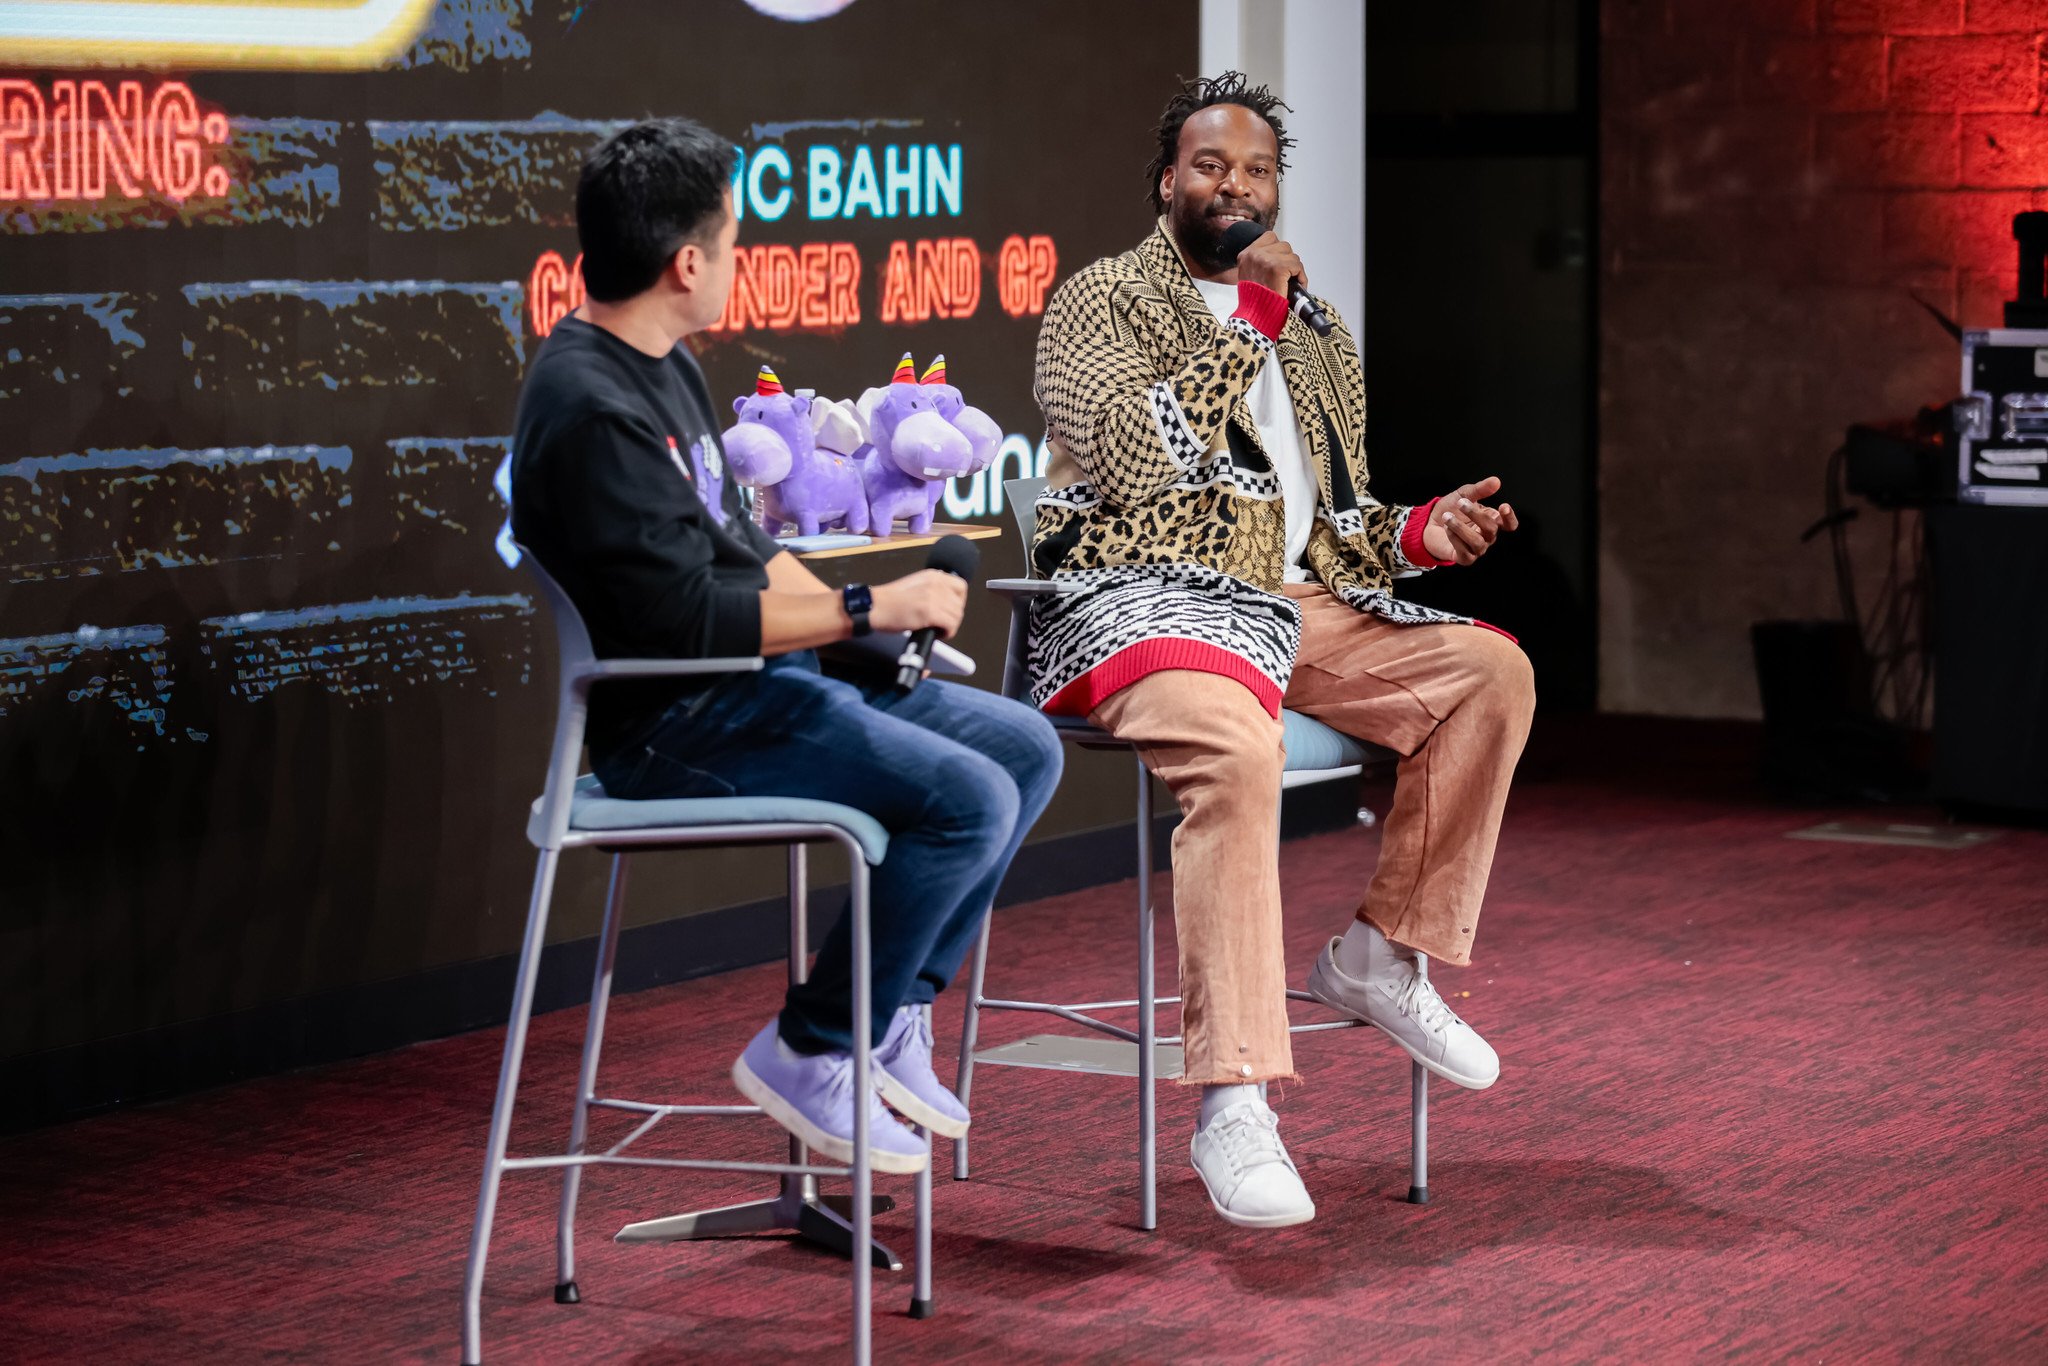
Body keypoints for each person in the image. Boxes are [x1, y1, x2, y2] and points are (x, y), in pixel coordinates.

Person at [1028, 73, 1535, 1226]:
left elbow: (1334, 527)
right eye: (1210, 166)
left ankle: (1379, 955)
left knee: (1488, 675)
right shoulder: (1097, 300)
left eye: (1256, 170)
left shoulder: (1315, 335)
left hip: (1279, 601)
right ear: (1167, 182)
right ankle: (1235, 1101)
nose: (1236, 187)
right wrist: (1248, 321)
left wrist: (1420, 531)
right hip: (1139, 601)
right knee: (1239, 747)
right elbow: (1133, 464)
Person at [511, 118, 1062, 1176]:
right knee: (966, 801)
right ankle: (812, 1044)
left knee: (1023, 750)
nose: (735, 261)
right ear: (685, 262)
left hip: (760, 684)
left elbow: (741, 551)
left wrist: (864, 624)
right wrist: (868, 606)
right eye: (729, 240)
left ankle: (889, 1013)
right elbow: (686, 619)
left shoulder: (660, 363)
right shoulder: (587, 406)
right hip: (672, 721)